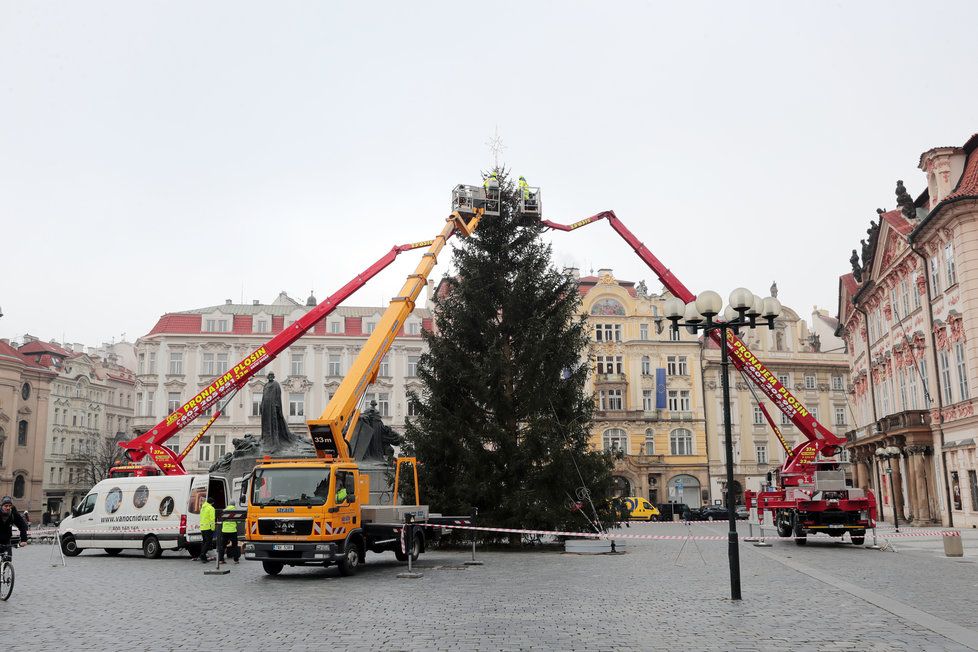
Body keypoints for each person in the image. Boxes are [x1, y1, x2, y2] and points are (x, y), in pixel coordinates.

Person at [198, 497, 216, 563]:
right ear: (212, 503)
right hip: (208, 528)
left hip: (203, 527)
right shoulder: (211, 508)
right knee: (208, 543)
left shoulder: (203, 507)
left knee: (204, 542)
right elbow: (212, 519)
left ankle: (203, 556)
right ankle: (202, 554)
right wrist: (213, 528)